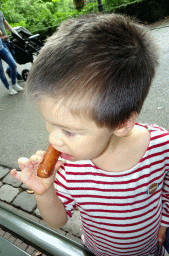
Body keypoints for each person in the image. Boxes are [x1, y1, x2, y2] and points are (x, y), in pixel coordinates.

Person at [10, 14, 169, 255]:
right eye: (49, 123)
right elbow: (58, 221)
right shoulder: (69, 167)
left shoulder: (161, 146)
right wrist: (44, 191)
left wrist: (165, 221)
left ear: (121, 123)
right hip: (98, 251)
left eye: (69, 132)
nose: (54, 140)